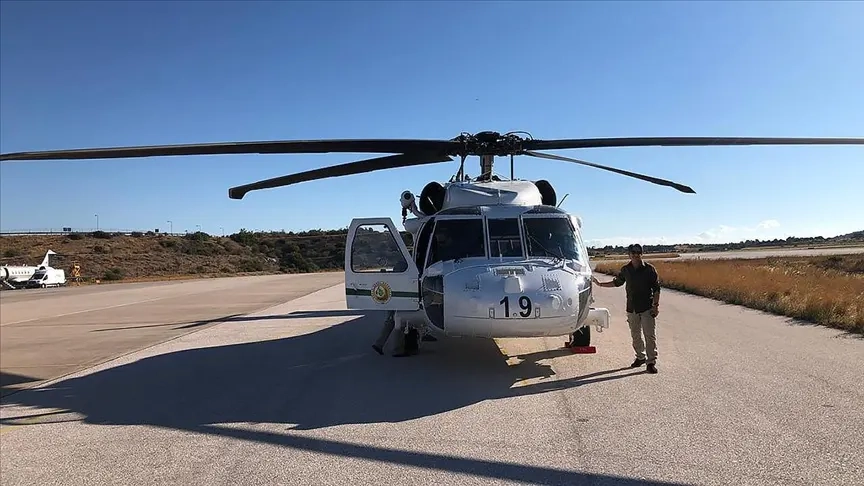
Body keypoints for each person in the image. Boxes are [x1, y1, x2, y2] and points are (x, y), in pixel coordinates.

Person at [592, 243, 661, 374]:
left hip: (647, 307)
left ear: (642, 254)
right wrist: (600, 284)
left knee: (649, 336)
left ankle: (651, 362)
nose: (636, 255)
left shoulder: (649, 269)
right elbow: (617, 282)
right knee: (635, 335)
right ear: (629, 254)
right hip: (632, 308)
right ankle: (640, 357)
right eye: (633, 253)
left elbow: (656, 288)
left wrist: (655, 306)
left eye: (638, 252)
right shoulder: (626, 270)